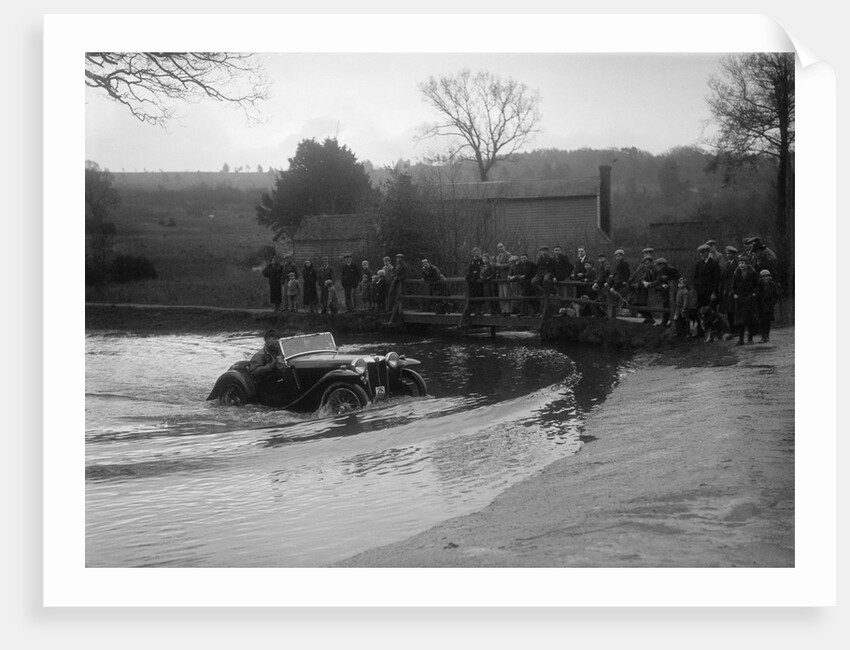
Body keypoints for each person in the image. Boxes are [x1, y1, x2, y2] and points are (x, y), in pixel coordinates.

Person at [693, 243, 721, 337]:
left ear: (708, 252)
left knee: (710, 313)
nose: (701, 254)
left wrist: (714, 292)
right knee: (699, 311)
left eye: (703, 252)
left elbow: (716, 280)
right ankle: (700, 331)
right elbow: (696, 278)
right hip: (701, 292)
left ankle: (712, 333)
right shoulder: (699, 264)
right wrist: (697, 287)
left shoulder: (713, 264)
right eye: (700, 253)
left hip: (709, 292)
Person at [732, 255, 759, 345]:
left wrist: (754, 293)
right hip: (740, 299)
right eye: (739, 263)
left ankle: (750, 338)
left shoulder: (752, 273)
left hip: (749, 298)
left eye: (743, 263)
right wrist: (734, 293)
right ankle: (741, 339)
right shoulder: (736, 273)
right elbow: (733, 286)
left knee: (750, 319)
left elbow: (756, 285)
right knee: (740, 321)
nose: (741, 265)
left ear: (747, 264)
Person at [649, 257, 680, 327]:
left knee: (674, 306)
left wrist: (668, 279)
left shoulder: (671, 269)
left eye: (658, 265)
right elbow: (660, 280)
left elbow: (678, 278)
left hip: (674, 292)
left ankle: (672, 322)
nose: (657, 267)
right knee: (666, 305)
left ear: (663, 265)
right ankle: (665, 322)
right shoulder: (660, 271)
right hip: (666, 291)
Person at [628, 252, 657, 324]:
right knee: (636, 304)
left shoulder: (652, 268)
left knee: (642, 304)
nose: (645, 264)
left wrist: (638, 284)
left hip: (642, 289)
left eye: (647, 263)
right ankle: (648, 318)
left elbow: (646, 279)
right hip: (637, 288)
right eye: (645, 263)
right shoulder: (641, 267)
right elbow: (635, 274)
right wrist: (631, 282)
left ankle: (649, 318)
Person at [755, 269, 782, 343]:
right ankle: (763, 336)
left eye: (767, 276)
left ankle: (766, 335)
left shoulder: (772, 285)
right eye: (764, 277)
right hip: (761, 306)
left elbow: (776, 295)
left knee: (768, 321)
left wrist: (772, 303)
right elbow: (757, 294)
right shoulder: (759, 285)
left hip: (769, 306)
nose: (765, 278)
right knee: (762, 321)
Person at [717, 245, 739, 331]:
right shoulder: (725, 264)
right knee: (729, 310)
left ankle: (736, 328)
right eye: (727, 253)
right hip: (726, 290)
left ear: (734, 254)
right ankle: (732, 328)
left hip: (734, 289)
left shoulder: (737, 264)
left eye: (730, 253)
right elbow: (723, 278)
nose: (728, 255)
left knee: (734, 310)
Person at [494, 243, 514, 317]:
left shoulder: (508, 254)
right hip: (500, 277)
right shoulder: (498, 256)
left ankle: (508, 310)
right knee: (501, 295)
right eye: (498, 247)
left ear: (504, 247)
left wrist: (500, 266)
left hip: (506, 276)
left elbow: (510, 264)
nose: (500, 248)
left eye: (501, 247)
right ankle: (503, 310)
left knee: (506, 294)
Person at [465, 247, 485, 315]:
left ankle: (480, 310)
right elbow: (470, 270)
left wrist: (477, 275)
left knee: (479, 295)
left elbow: (482, 270)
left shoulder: (481, 260)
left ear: (479, 253)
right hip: (473, 281)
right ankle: (476, 310)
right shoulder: (472, 261)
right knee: (473, 295)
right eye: (474, 252)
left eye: (477, 252)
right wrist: (469, 277)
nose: (475, 254)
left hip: (479, 281)